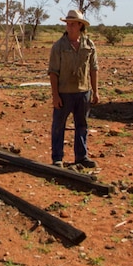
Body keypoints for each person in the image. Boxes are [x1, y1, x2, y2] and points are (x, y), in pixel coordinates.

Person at [48, 9, 99, 169]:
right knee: (59, 125)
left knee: (82, 125)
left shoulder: (89, 45)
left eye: (72, 24)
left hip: (83, 92)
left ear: (80, 26)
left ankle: (81, 157)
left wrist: (95, 91)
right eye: (67, 24)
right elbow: (53, 72)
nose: (69, 27)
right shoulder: (58, 46)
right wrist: (55, 95)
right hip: (64, 93)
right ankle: (57, 158)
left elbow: (93, 68)